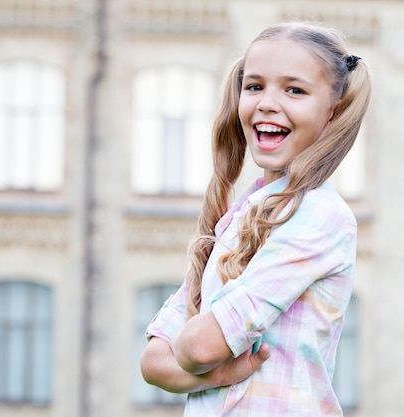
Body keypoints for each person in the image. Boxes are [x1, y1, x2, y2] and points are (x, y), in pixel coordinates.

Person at [140, 21, 372, 416]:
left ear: (333, 112)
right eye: (255, 86)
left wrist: (198, 352)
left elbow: (197, 346)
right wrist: (217, 374)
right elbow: (153, 363)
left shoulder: (320, 216)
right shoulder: (241, 215)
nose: (267, 102)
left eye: (294, 90)